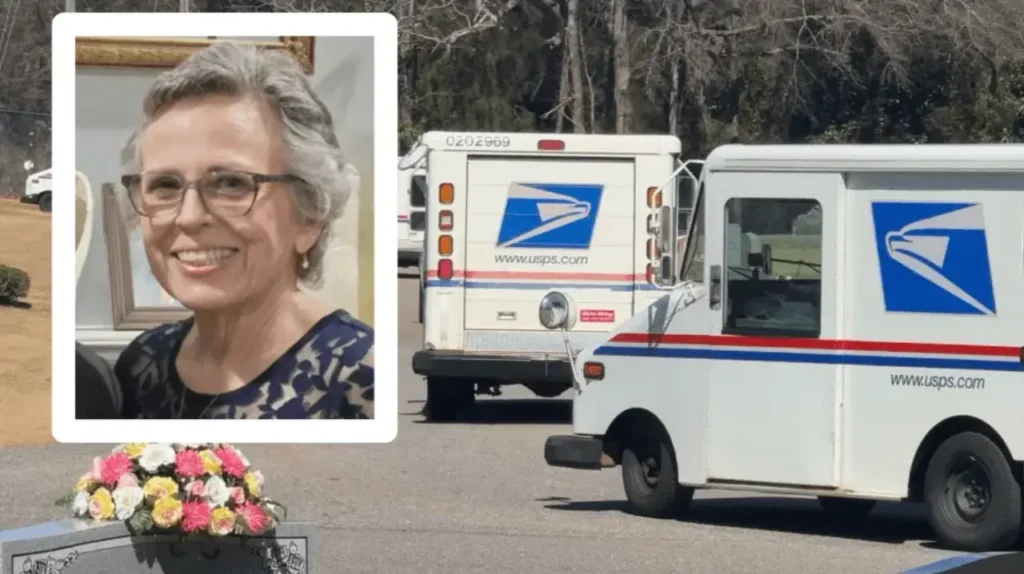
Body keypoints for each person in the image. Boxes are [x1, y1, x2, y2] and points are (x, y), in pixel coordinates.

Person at [113, 41, 373, 419]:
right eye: (165, 185)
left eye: (231, 183)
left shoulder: (365, 383)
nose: (189, 217)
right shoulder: (139, 368)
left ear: (309, 216)